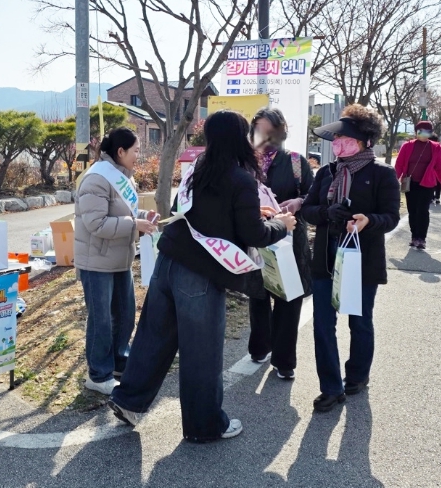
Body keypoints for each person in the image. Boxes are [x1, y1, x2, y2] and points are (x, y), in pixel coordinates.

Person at [109, 110, 296, 441]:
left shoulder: (198, 168)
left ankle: (128, 401)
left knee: (153, 337)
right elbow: (253, 234)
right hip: (201, 274)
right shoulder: (240, 177)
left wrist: (254, 212)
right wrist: (282, 224)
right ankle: (205, 426)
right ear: (240, 137)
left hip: (169, 261)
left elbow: (195, 212)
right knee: (202, 352)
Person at [302, 104, 400, 412]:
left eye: (345, 139)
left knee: (359, 321)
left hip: (361, 257)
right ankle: (331, 388)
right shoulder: (327, 172)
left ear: (365, 141)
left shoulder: (382, 173)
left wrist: (368, 221)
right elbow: (308, 209)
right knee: (322, 323)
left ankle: (357, 375)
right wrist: (326, 212)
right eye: (336, 139)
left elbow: (391, 216)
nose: (338, 144)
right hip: (325, 256)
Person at [74, 127, 158, 395]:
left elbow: (123, 212)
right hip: (96, 262)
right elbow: (97, 223)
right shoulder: (96, 179)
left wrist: (143, 216)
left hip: (119, 259)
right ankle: (98, 375)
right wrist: (135, 224)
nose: (138, 156)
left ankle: (120, 362)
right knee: (101, 321)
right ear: (120, 151)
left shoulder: (122, 177)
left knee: (124, 315)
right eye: (136, 151)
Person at [248, 108, 313, 380]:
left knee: (290, 298)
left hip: (290, 239)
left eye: (271, 131)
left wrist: (299, 202)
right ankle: (260, 347)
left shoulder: (296, 162)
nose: (265, 137)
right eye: (260, 130)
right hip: (256, 237)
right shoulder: (245, 161)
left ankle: (284, 360)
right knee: (258, 295)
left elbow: (313, 196)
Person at [394, 122, 441, 249]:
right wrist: (393, 181)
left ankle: (421, 238)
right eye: (421, 131)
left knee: (423, 210)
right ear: (416, 132)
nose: (424, 134)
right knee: (412, 210)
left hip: (427, 183)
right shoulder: (407, 146)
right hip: (410, 183)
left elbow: (439, 168)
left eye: (428, 131)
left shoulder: (436, 147)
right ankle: (414, 236)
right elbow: (399, 165)